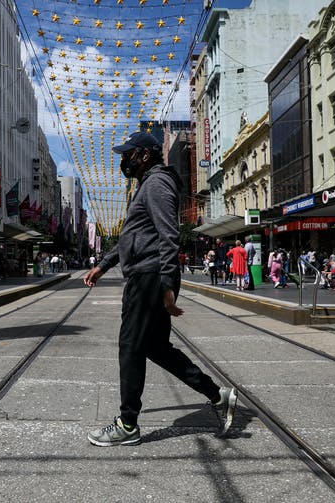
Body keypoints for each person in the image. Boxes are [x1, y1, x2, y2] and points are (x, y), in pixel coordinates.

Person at [83, 131, 237, 447]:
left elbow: (168, 236)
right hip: (147, 275)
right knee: (155, 347)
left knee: (130, 347)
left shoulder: (156, 183)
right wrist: (104, 264)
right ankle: (216, 395)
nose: (123, 159)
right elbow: (132, 235)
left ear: (144, 155)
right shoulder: (146, 185)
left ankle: (127, 424)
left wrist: (169, 283)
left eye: (127, 154)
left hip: (148, 278)